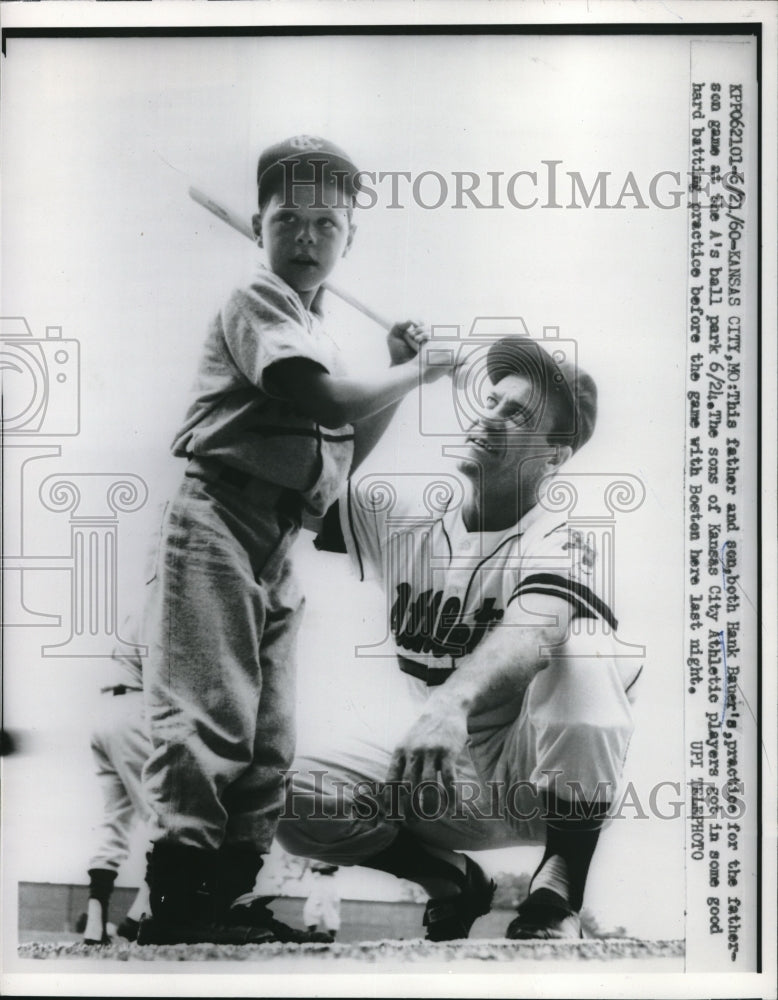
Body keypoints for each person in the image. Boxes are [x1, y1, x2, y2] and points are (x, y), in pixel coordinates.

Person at [138, 135, 454, 946]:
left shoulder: (322, 337)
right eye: (288, 220)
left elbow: (344, 451)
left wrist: (392, 370)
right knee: (210, 713)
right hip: (215, 518)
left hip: (275, 537)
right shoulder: (258, 297)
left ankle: (227, 897)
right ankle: (180, 904)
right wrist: (417, 372)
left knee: (270, 734)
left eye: (326, 224)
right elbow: (329, 401)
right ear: (258, 226)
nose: (307, 238)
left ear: (351, 237)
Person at [278, 336, 643, 941]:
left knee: (583, 648)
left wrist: (450, 702)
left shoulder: (569, 536)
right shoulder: (405, 517)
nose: (490, 414)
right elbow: (307, 491)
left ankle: (558, 892)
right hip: (444, 775)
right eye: (491, 401)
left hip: (542, 776)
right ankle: (449, 879)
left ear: (553, 455)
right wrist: (401, 375)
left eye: (516, 414)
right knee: (284, 794)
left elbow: (533, 628)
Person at [81, 628, 151, 945]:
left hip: (103, 712)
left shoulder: (130, 616)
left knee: (114, 823)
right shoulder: (164, 606)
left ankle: (94, 924)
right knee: (164, 818)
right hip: (135, 707)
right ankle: (137, 918)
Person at [303, 862, 342, 941]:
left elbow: (335, 867)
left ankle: (332, 937)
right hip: (318, 883)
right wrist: (317, 867)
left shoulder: (330, 859)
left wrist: (321, 868)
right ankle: (311, 934)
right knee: (310, 909)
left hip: (329, 884)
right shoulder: (314, 859)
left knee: (330, 911)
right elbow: (312, 869)